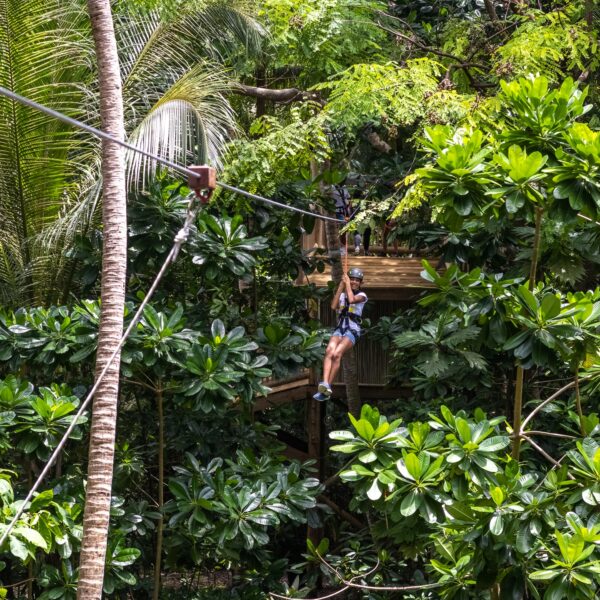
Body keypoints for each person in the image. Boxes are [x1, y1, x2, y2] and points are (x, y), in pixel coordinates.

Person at [313, 268, 368, 401]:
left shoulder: (362, 296)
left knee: (337, 354)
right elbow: (333, 306)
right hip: (340, 328)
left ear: (360, 283)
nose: (354, 282)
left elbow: (352, 299)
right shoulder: (343, 295)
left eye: (356, 280)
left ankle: (328, 386)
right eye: (352, 279)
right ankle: (325, 383)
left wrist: (347, 284)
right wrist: (341, 286)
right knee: (329, 351)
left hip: (352, 330)